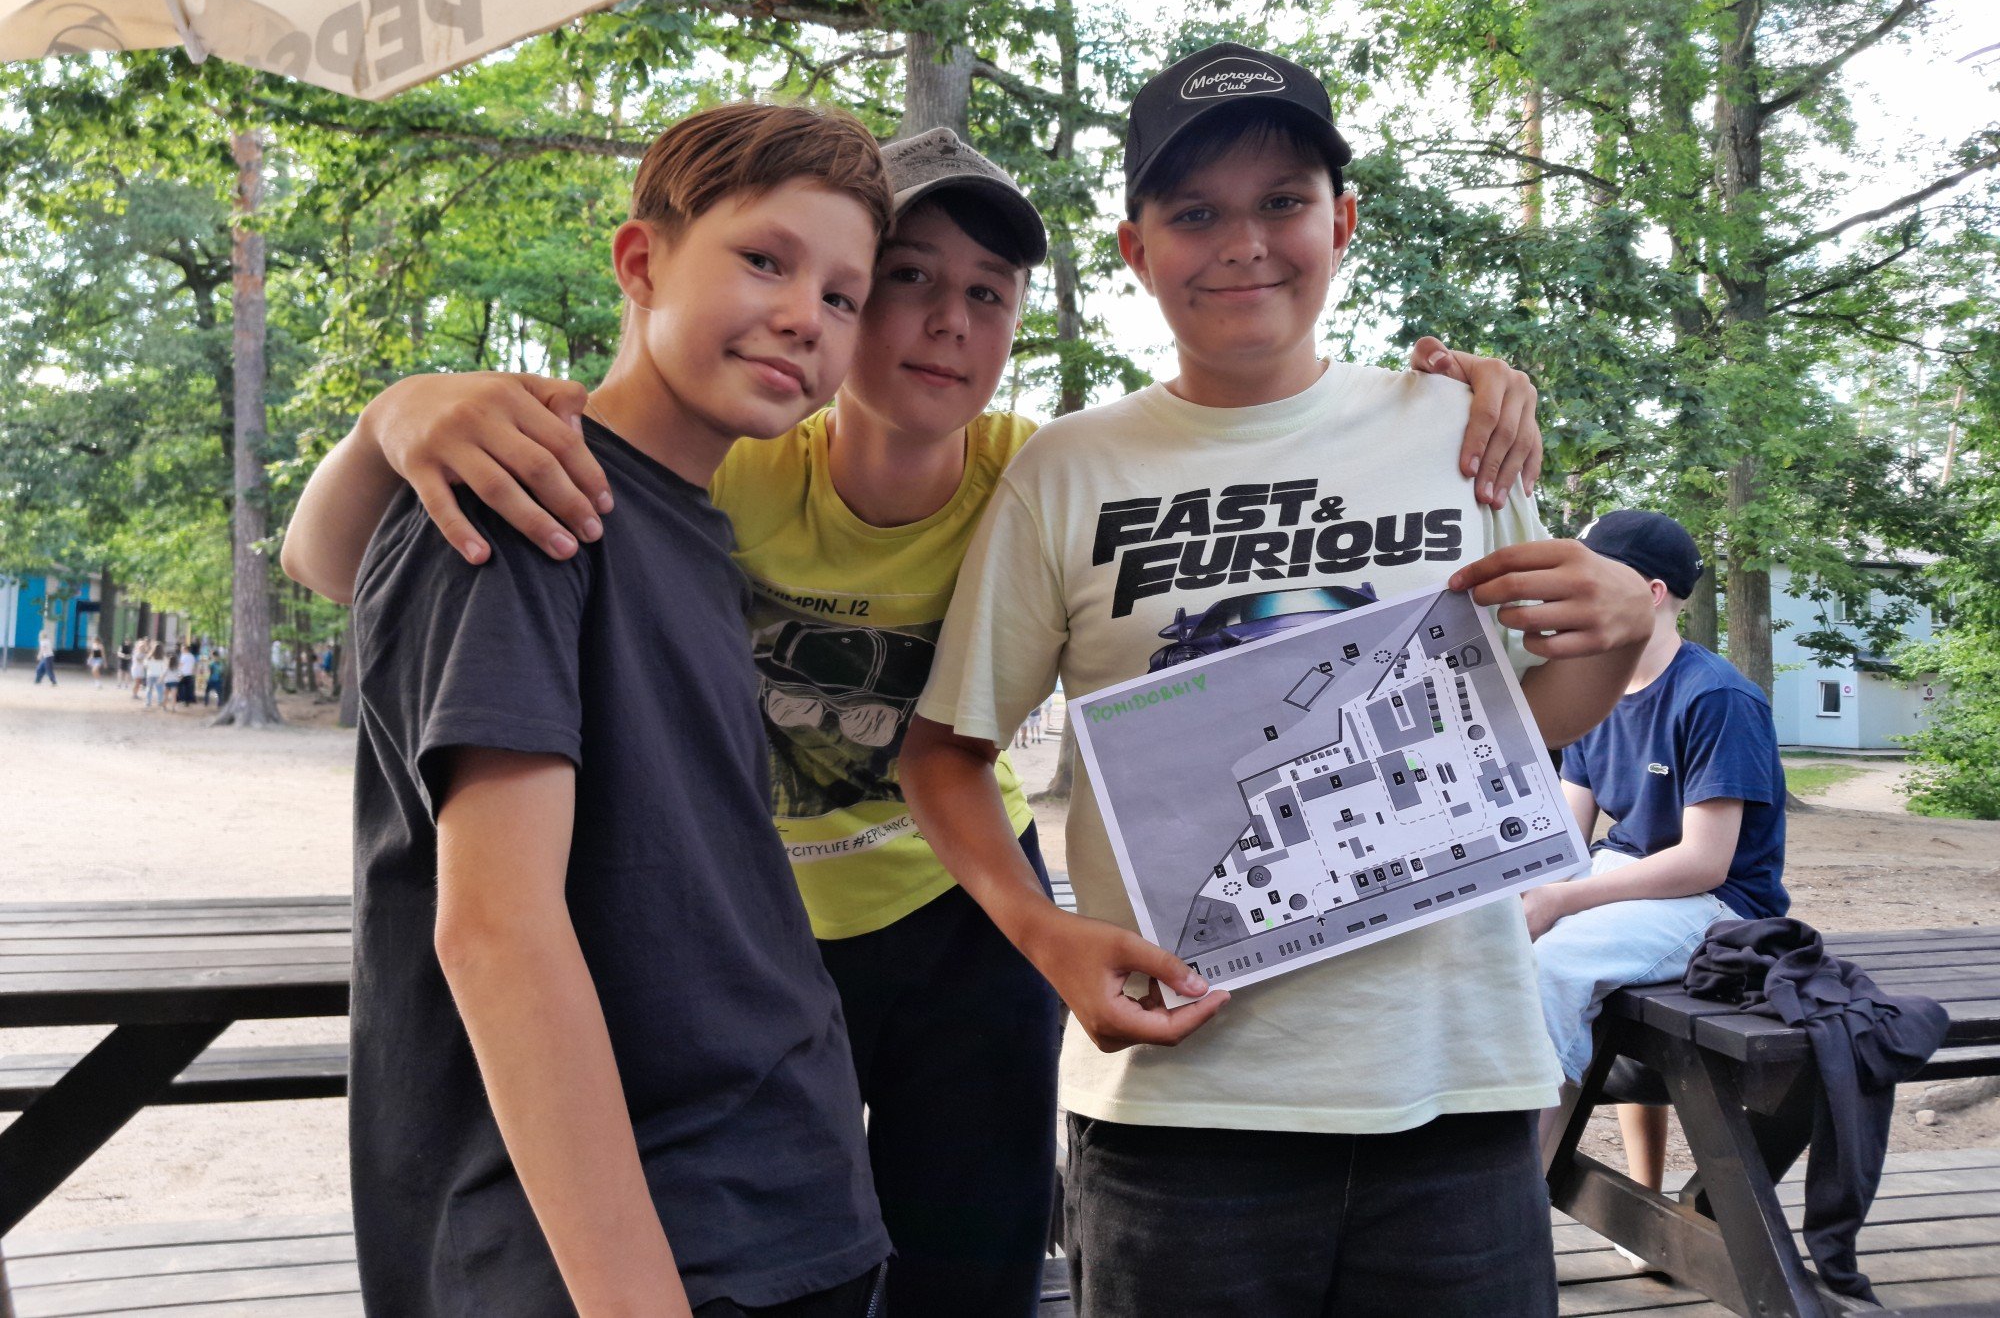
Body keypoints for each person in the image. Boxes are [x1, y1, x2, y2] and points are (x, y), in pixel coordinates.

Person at [281, 124, 1546, 1316]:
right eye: (893, 281)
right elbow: (367, 582)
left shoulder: (1037, 474)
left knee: (963, 1251)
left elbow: (1216, 473)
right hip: (758, 930)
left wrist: (1456, 397)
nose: (938, 321)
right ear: (642, 261)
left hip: (932, 931)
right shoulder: (703, 470)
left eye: (981, 294)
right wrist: (396, 417)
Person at [897, 42, 1657, 1318]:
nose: (1242, 244)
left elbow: (1517, 732)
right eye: (1194, 213)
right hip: (1177, 1106)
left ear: (1340, 222)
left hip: (1452, 1088)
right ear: (1135, 250)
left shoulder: (1457, 431)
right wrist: (1046, 937)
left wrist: (1618, 637)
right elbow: (942, 752)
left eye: (1281, 202)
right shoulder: (1065, 471)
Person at [285, 102, 892, 1318]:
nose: (803, 316)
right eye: (763, 260)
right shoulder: (525, 490)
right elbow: (495, 929)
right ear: (640, 262)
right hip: (627, 1253)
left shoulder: (699, 525)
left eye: (842, 296)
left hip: (785, 1200)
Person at [1526, 509, 1788, 1217]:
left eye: (1592, 576)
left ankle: (1510, 1203)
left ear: (1649, 592)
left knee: (1554, 966)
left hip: (1719, 905)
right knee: (1492, 941)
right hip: (1627, 875)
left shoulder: (1717, 696)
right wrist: (1524, 892)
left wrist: (1559, 902)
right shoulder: (1591, 686)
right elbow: (1562, 837)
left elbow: (1705, 862)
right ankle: (1636, 1192)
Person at [143, 643, 168, 710]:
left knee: (149, 689)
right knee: (160, 690)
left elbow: (145, 665)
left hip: (150, 675)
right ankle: (160, 701)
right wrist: (163, 676)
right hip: (159, 675)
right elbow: (165, 668)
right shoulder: (163, 658)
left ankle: (148, 702)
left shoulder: (149, 657)